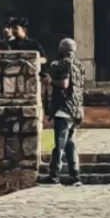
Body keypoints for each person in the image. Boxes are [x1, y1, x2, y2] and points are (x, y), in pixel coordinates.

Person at [46, 37, 85, 187]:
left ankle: (54, 175)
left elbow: (64, 83)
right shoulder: (79, 65)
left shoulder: (64, 63)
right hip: (76, 109)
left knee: (59, 145)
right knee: (71, 144)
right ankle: (75, 176)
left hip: (64, 108)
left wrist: (50, 81)